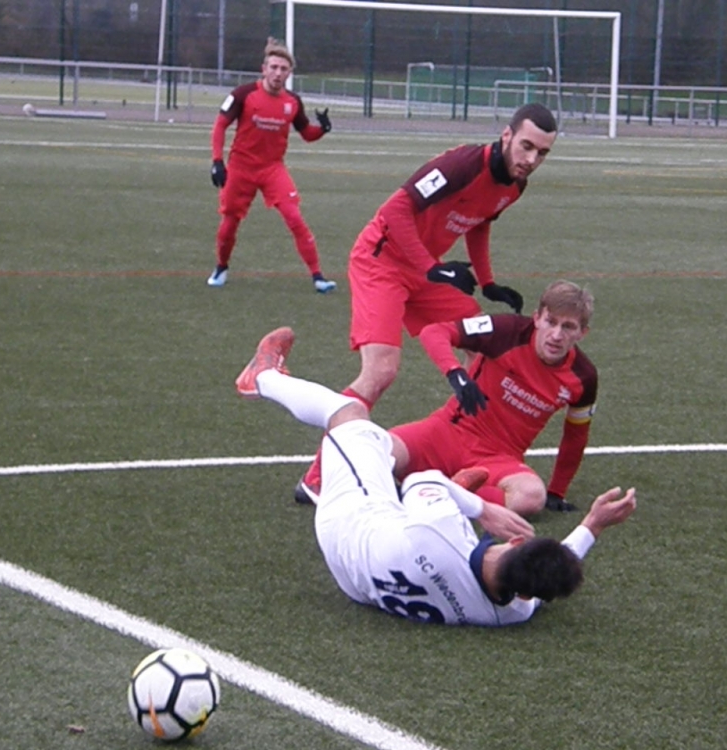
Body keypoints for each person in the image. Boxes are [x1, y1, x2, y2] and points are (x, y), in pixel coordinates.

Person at [235, 326, 636, 626]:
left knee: (349, 414)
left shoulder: (441, 530)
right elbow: (544, 582)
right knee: (426, 501)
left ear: (516, 539)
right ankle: (450, 492)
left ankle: (263, 378)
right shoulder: (511, 613)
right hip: (358, 584)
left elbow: (419, 480)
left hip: (349, 525)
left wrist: (481, 510)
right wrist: (592, 525)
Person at [297, 102, 558, 502]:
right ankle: (318, 479)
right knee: (381, 370)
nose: (531, 159)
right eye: (526, 146)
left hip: (423, 270)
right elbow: (395, 209)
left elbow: (480, 222)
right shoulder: (463, 165)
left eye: (542, 153)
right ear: (506, 135)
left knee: (481, 346)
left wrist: (488, 282)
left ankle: (466, 450)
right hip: (381, 260)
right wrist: (431, 267)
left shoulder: (514, 186)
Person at [388, 280, 597, 517]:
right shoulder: (507, 330)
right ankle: (449, 491)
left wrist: (557, 491)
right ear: (537, 318)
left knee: (531, 497)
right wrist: (455, 373)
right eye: (551, 322)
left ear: (582, 333)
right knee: (378, 450)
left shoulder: (583, 378)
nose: (556, 335)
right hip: (445, 433)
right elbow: (435, 332)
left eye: (568, 327)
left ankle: (428, 492)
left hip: (497, 459)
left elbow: (575, 437)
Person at [207, 37, 335, 293]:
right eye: (274, 67)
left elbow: (306, 134)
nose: (278, 73)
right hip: (241, 168)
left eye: (283, 69)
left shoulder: (293, 102)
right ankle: (221, 267)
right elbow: (220, 125)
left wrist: (323, 128)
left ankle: (318, 277)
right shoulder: (243, 94)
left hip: (272, 169)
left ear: (289, 73)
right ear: (264, 69)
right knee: (230, 222)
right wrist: (217, 161)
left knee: (294, 217)